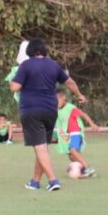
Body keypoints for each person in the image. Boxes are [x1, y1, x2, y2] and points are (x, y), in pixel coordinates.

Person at [10, 38, 87, 192]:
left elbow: (14, 87)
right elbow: (69, 82)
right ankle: (35, 181)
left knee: (39, 147)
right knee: (43, 146)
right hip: (51, 111)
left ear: (29, 52)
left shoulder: (26, 65)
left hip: (31, 110)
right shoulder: (53, 65)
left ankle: (53, 180)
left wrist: (15, 80)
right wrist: (79, 94)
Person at [55, 90, 99, 178]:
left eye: (57, 100)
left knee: (73, 150)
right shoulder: (57, 111)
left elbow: (83, 114)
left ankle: (87, 168)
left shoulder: (70, 108)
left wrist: (91, 124)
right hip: (68, 135)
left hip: (76, 132)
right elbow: (59, 124)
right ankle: (85, 170)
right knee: (71, 156)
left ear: (63, 98)